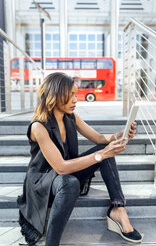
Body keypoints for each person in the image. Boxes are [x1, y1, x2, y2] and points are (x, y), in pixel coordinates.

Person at [17, 72, 142, 246]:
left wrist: (120, 135)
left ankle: (118, 208)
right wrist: (102, 154)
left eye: (76, 94)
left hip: (66, 173)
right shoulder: (39, 126)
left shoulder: (71, 117)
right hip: (44, 182)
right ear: (55, 95)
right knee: (71, 181)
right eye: (70, 95)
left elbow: (98, 138)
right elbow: (60, 167)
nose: (76, 100)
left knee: (101, 150)